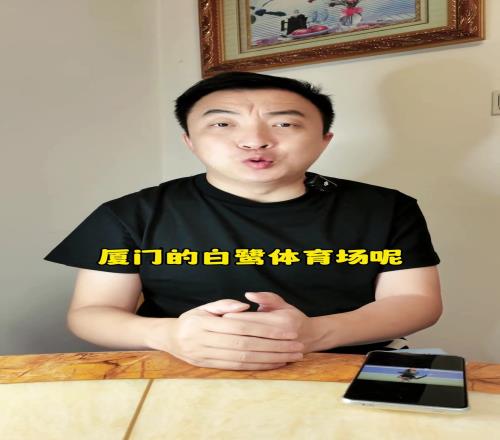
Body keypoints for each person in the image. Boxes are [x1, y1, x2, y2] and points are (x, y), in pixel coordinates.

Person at [44, 71, 442, 371]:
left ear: (324, 139)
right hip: (184, 363)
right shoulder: (131, 214)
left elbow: (415, 302)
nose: (255, 140)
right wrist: (167, 333)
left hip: (350, 363)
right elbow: (92, 312)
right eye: (222, 123)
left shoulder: (386, 207)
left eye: (285, 123)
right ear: (190, 141)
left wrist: (315, 333)